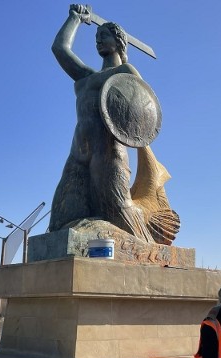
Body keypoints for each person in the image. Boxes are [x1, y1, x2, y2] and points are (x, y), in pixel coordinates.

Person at [48, 4, 156, 241]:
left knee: (122, 220)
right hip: (77, 158)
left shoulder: (126, 71)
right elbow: (59, 48)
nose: (98, 40)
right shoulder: (85, 77)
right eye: (96, 37)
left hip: (108, 158)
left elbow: (139, 110)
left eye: (103, 35)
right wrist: (75, 19)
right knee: (60, 224)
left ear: (119, 41)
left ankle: (149, 242)